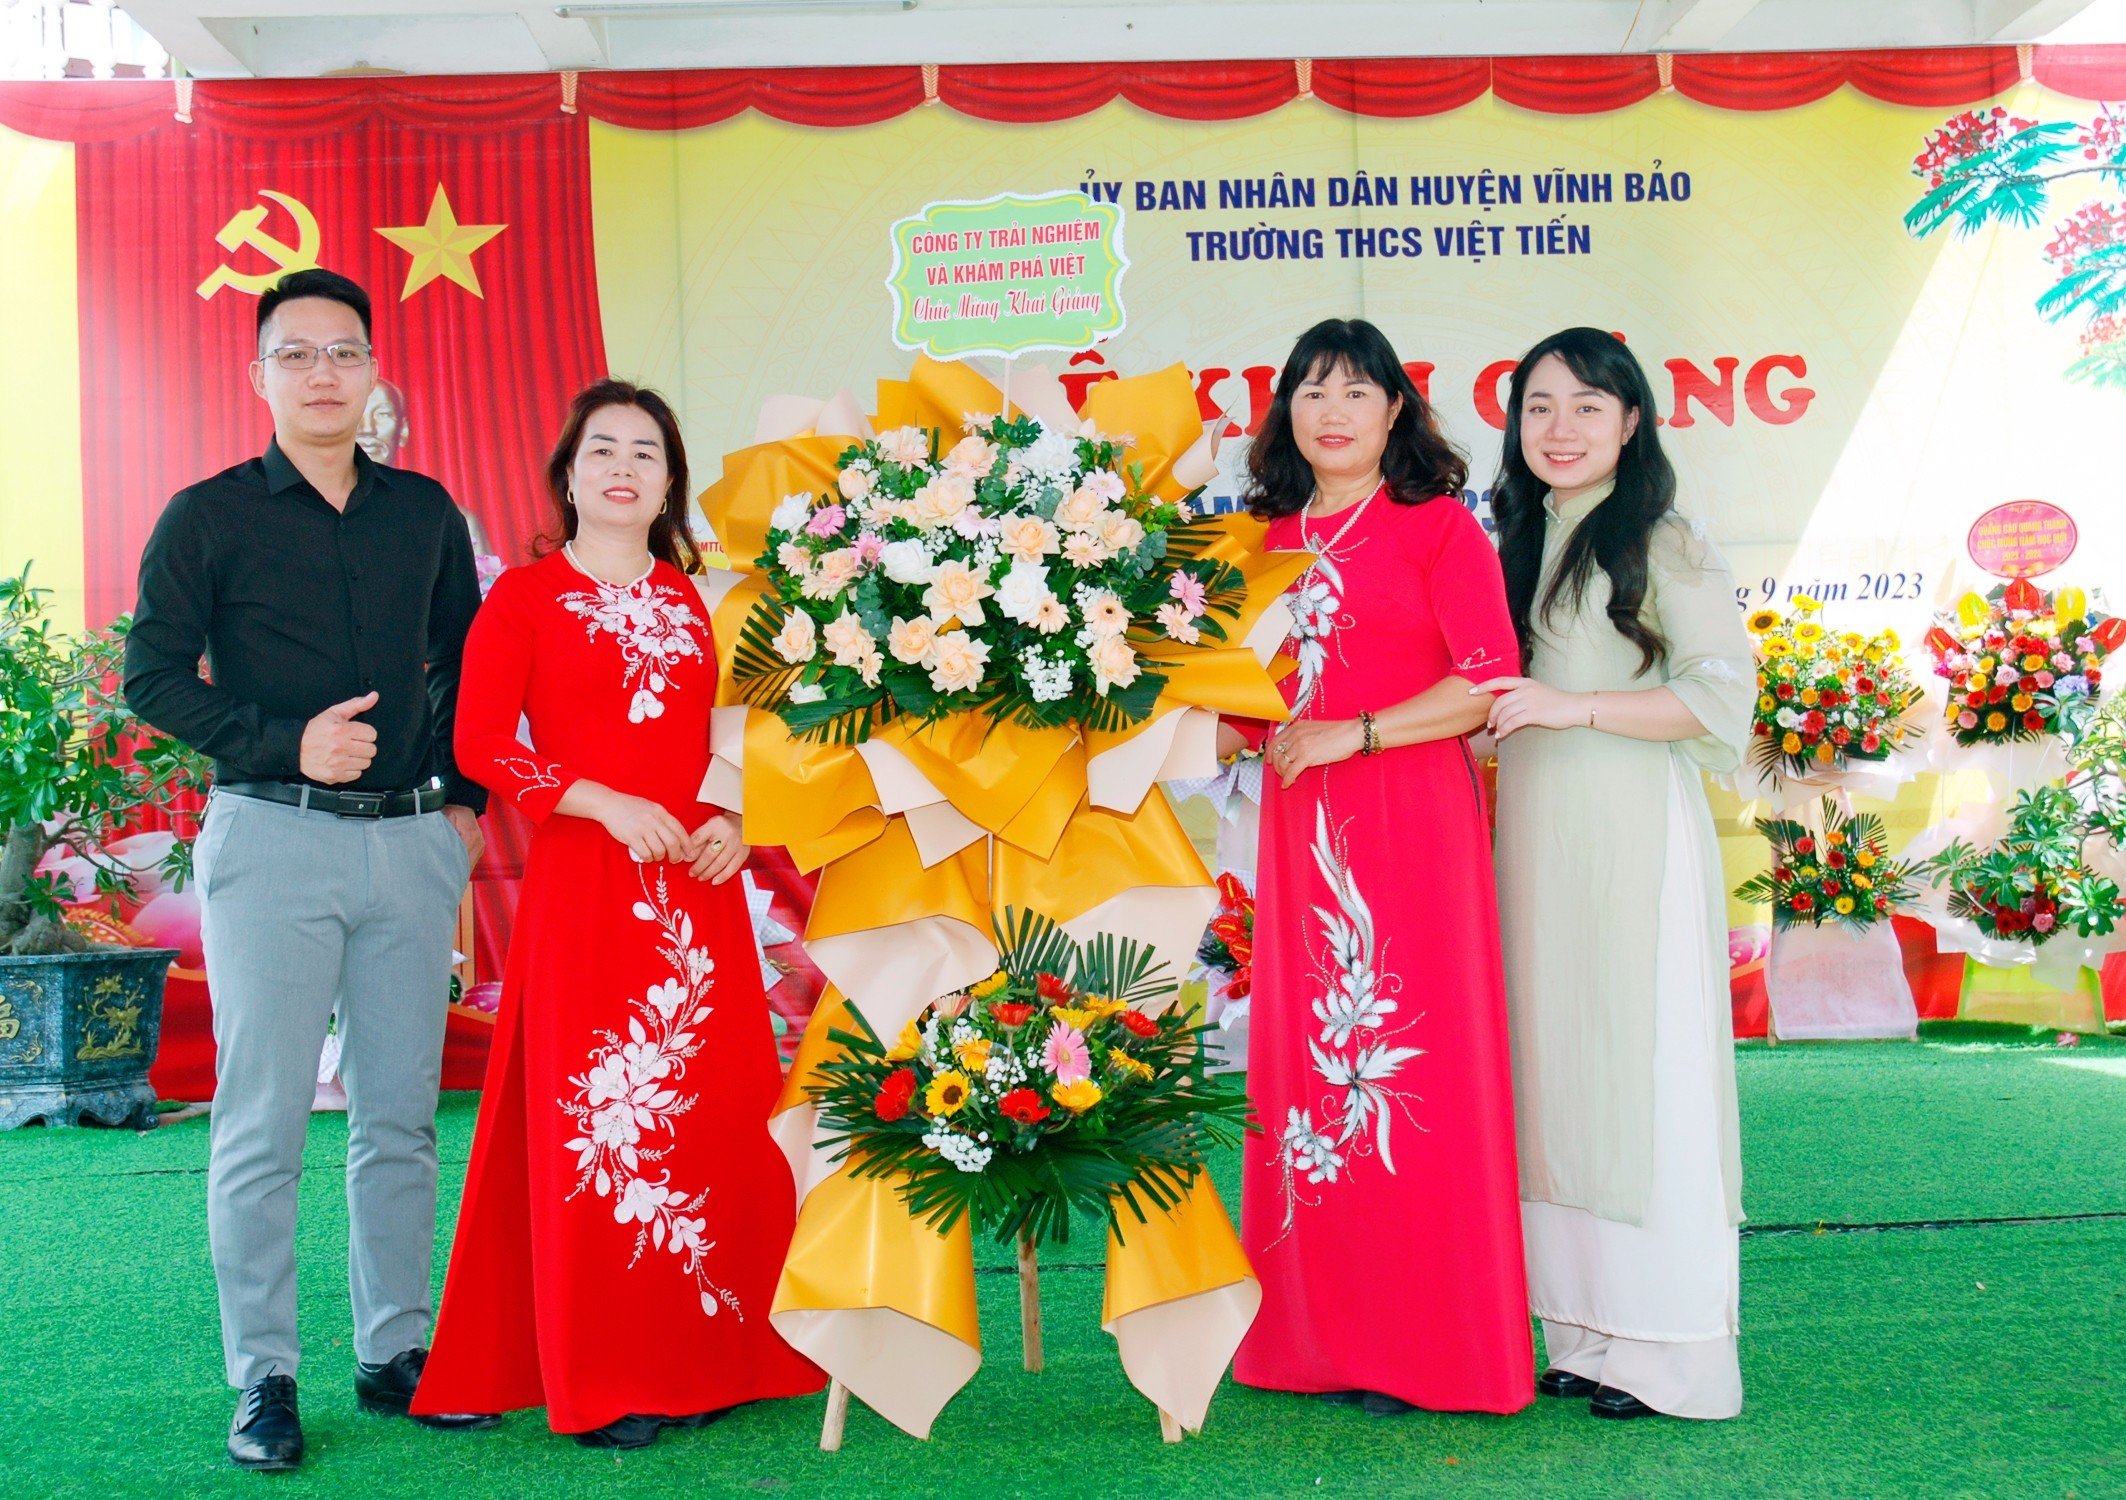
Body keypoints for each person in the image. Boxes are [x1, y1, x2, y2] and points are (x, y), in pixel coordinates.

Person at [123, 267, 492, 1471]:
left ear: (374, 370)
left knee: (399, 1117)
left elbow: (467, 665)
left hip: (408, 846)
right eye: (297, 354)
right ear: (259, 375)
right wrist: (290, 744)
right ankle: (264, 1378)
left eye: (343, 352)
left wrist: (465, 801)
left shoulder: (425, 513)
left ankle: (396, 1352)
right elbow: (150, 677)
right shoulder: (207, 516)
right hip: (271, 838)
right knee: (263, 1120)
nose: (322, 373)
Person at [410, 379, 823, 1446]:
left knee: (710, 1115)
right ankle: (609, 1370)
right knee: (601, 1120)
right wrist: (601, 801)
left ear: (670, 481)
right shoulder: (524, 598)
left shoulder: (707, 602)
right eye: (602, 449)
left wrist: (739, 817)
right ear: (569, 474)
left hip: (697, 892)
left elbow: (759, 736)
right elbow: (480, 744)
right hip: (586, 891)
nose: (623, 467)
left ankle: (721, 1352)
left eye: (646, 451)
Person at [1223, 318, 1534, 1416]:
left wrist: (1351, 734)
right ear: (1285, 412)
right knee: (1310, 1071)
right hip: (1299, 834)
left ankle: (1428, 1348)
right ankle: (1314, 1340)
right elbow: (1233, 708)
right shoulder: (1256, 543)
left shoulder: (1436, 526)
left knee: (1410, 1066)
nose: (1333, 411)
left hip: (1408, 825)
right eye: (1311, 390)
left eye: (1357, 390)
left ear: (1395, 408)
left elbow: (1486, 680)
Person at [1477, 327, 1754, 1422]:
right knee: (1556, 1076)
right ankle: (1587, 1332)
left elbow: (1719, 699)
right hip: (1535, 842)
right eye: (1539, 406)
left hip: (1634, 835)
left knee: (1643, 1078)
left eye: (1587, 407)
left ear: (1632, 421)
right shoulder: (1515, 536)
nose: (1560, 429)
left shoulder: (1662, 539)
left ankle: (1671, 1352)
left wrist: (1574, 706)